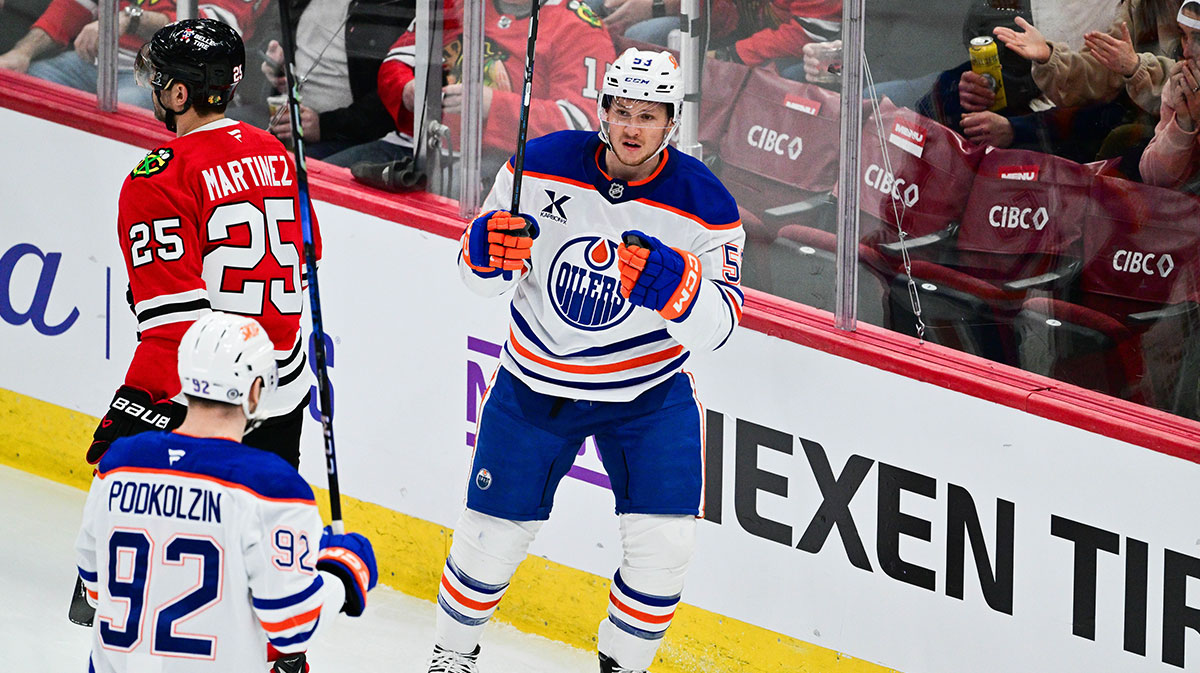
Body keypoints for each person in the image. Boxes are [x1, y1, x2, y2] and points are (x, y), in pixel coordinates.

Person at [427, 48, 744, 673]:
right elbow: (478, 281)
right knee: (489, 540)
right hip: (533, 385)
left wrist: (679, 290)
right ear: (603, 109)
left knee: (664, 550)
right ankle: (450, 655)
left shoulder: (706, 203)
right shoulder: (539, 163)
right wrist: (483, 253)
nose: (632, 128)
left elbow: (723, 327)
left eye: (648, 116)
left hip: (649, 398)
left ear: (672, 122)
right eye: (622, 111)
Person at [76, 311, 377, 673]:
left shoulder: (118, 464)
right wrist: (342, 574)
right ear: (255, 389)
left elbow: (95, 588)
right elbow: (292, 629)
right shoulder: (271, 487)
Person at [87, 18, 321, 474]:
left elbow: (173, 328)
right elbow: (308, 262)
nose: (151, 86)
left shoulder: (158, 179)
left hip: (206, 396)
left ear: (178, 95)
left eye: (158, 77)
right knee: (261, 534)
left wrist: (129, 405)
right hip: (283, 387)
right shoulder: (277, 153)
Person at [333, 0, 615, 181]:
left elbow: (584, 126)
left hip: (505, 167)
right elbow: (398, 61)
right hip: (414, 147)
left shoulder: (579, 25)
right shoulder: (457, 3)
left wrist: (492, 104)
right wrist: (407, 88)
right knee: (321, 180)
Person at [0, 0, 265, 109]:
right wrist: (21, 52)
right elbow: (75, 6)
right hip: (94, 62)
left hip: (166, 79)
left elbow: (212, 31)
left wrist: (131, 19)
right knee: (24, 88)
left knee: (111, 116)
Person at [258, 0, 414, 161]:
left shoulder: (396, 7)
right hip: (285, 117)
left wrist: (324, 126)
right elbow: (273, 27)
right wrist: (274, 59)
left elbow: (391, 96)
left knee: (283, 172)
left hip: (348, 134)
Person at [1140, 0, 1200, 187]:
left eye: (1199, 38)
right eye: (1183, 36)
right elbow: (1154, 178)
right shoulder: (1183, 83)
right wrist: (1183, 123)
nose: (1187, 51)